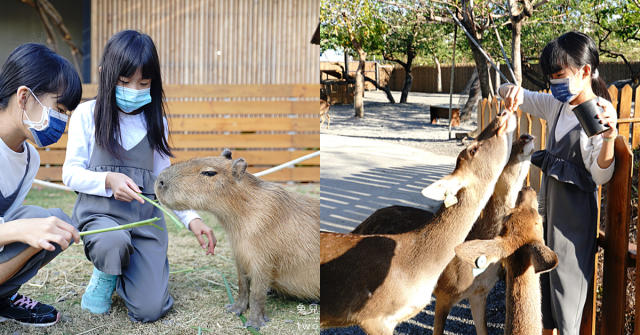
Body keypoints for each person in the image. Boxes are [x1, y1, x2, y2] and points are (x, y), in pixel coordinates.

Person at [62, 30, 216, 322]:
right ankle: (107, 270)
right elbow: (70, 174)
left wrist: (193, 219)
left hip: (144, 222)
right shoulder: (87, 114)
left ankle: (128, 268)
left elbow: (164, 182)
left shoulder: (156, 121)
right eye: (124, 82)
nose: (133, 89)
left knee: (151, 309)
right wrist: (108, 180)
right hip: (101, 217)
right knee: (112, 242)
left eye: (143, 83)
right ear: (105, 74)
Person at [500, 31, 617, 335]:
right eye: (550, 76)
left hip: (574, 225)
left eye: (559, 75)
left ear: (585, 71)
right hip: (546, 217)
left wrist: (610, 138)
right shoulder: (557, 105)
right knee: (546, 304)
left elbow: (601, 174)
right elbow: (517, 95)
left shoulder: (598, 112)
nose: (553, 83)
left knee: (567, 299)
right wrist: (509, 90)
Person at [0, 43, 82, 326]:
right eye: (59, 108)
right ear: (24, 96)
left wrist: (24, 228)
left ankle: (3, 299)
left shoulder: (29, 159)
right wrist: (19, 229)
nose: (62, 121)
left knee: (55, 222)